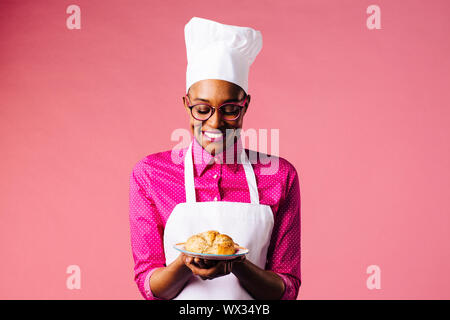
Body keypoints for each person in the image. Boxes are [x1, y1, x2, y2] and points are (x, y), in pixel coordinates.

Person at [129, 17, 301, 300]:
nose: (215, 123)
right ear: (187, 105)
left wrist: (238, 265)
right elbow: (150, 287)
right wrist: (187, 263)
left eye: (230, 109)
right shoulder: (150, 174)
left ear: (245, 105)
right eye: (202, 109)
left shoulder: (280, 175)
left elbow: (286, 289)